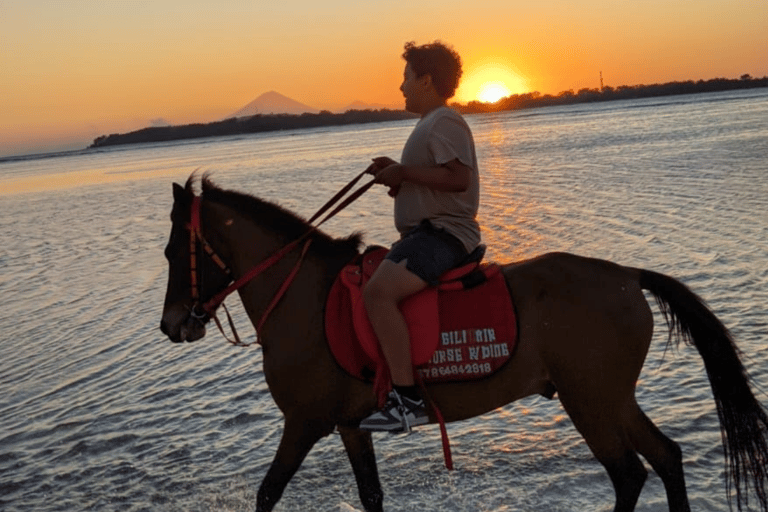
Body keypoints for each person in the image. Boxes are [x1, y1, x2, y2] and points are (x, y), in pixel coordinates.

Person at [358, 41, 481, 432]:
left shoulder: (444, 120)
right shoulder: (430, 123)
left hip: (443, 235)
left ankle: (408, 400)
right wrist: (396, 174)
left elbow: (459, 179)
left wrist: (405, 174)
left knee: (377, 293)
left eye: (406, 78)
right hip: (427, 233)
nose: (401, 87)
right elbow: (434, 181)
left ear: (426, 79)